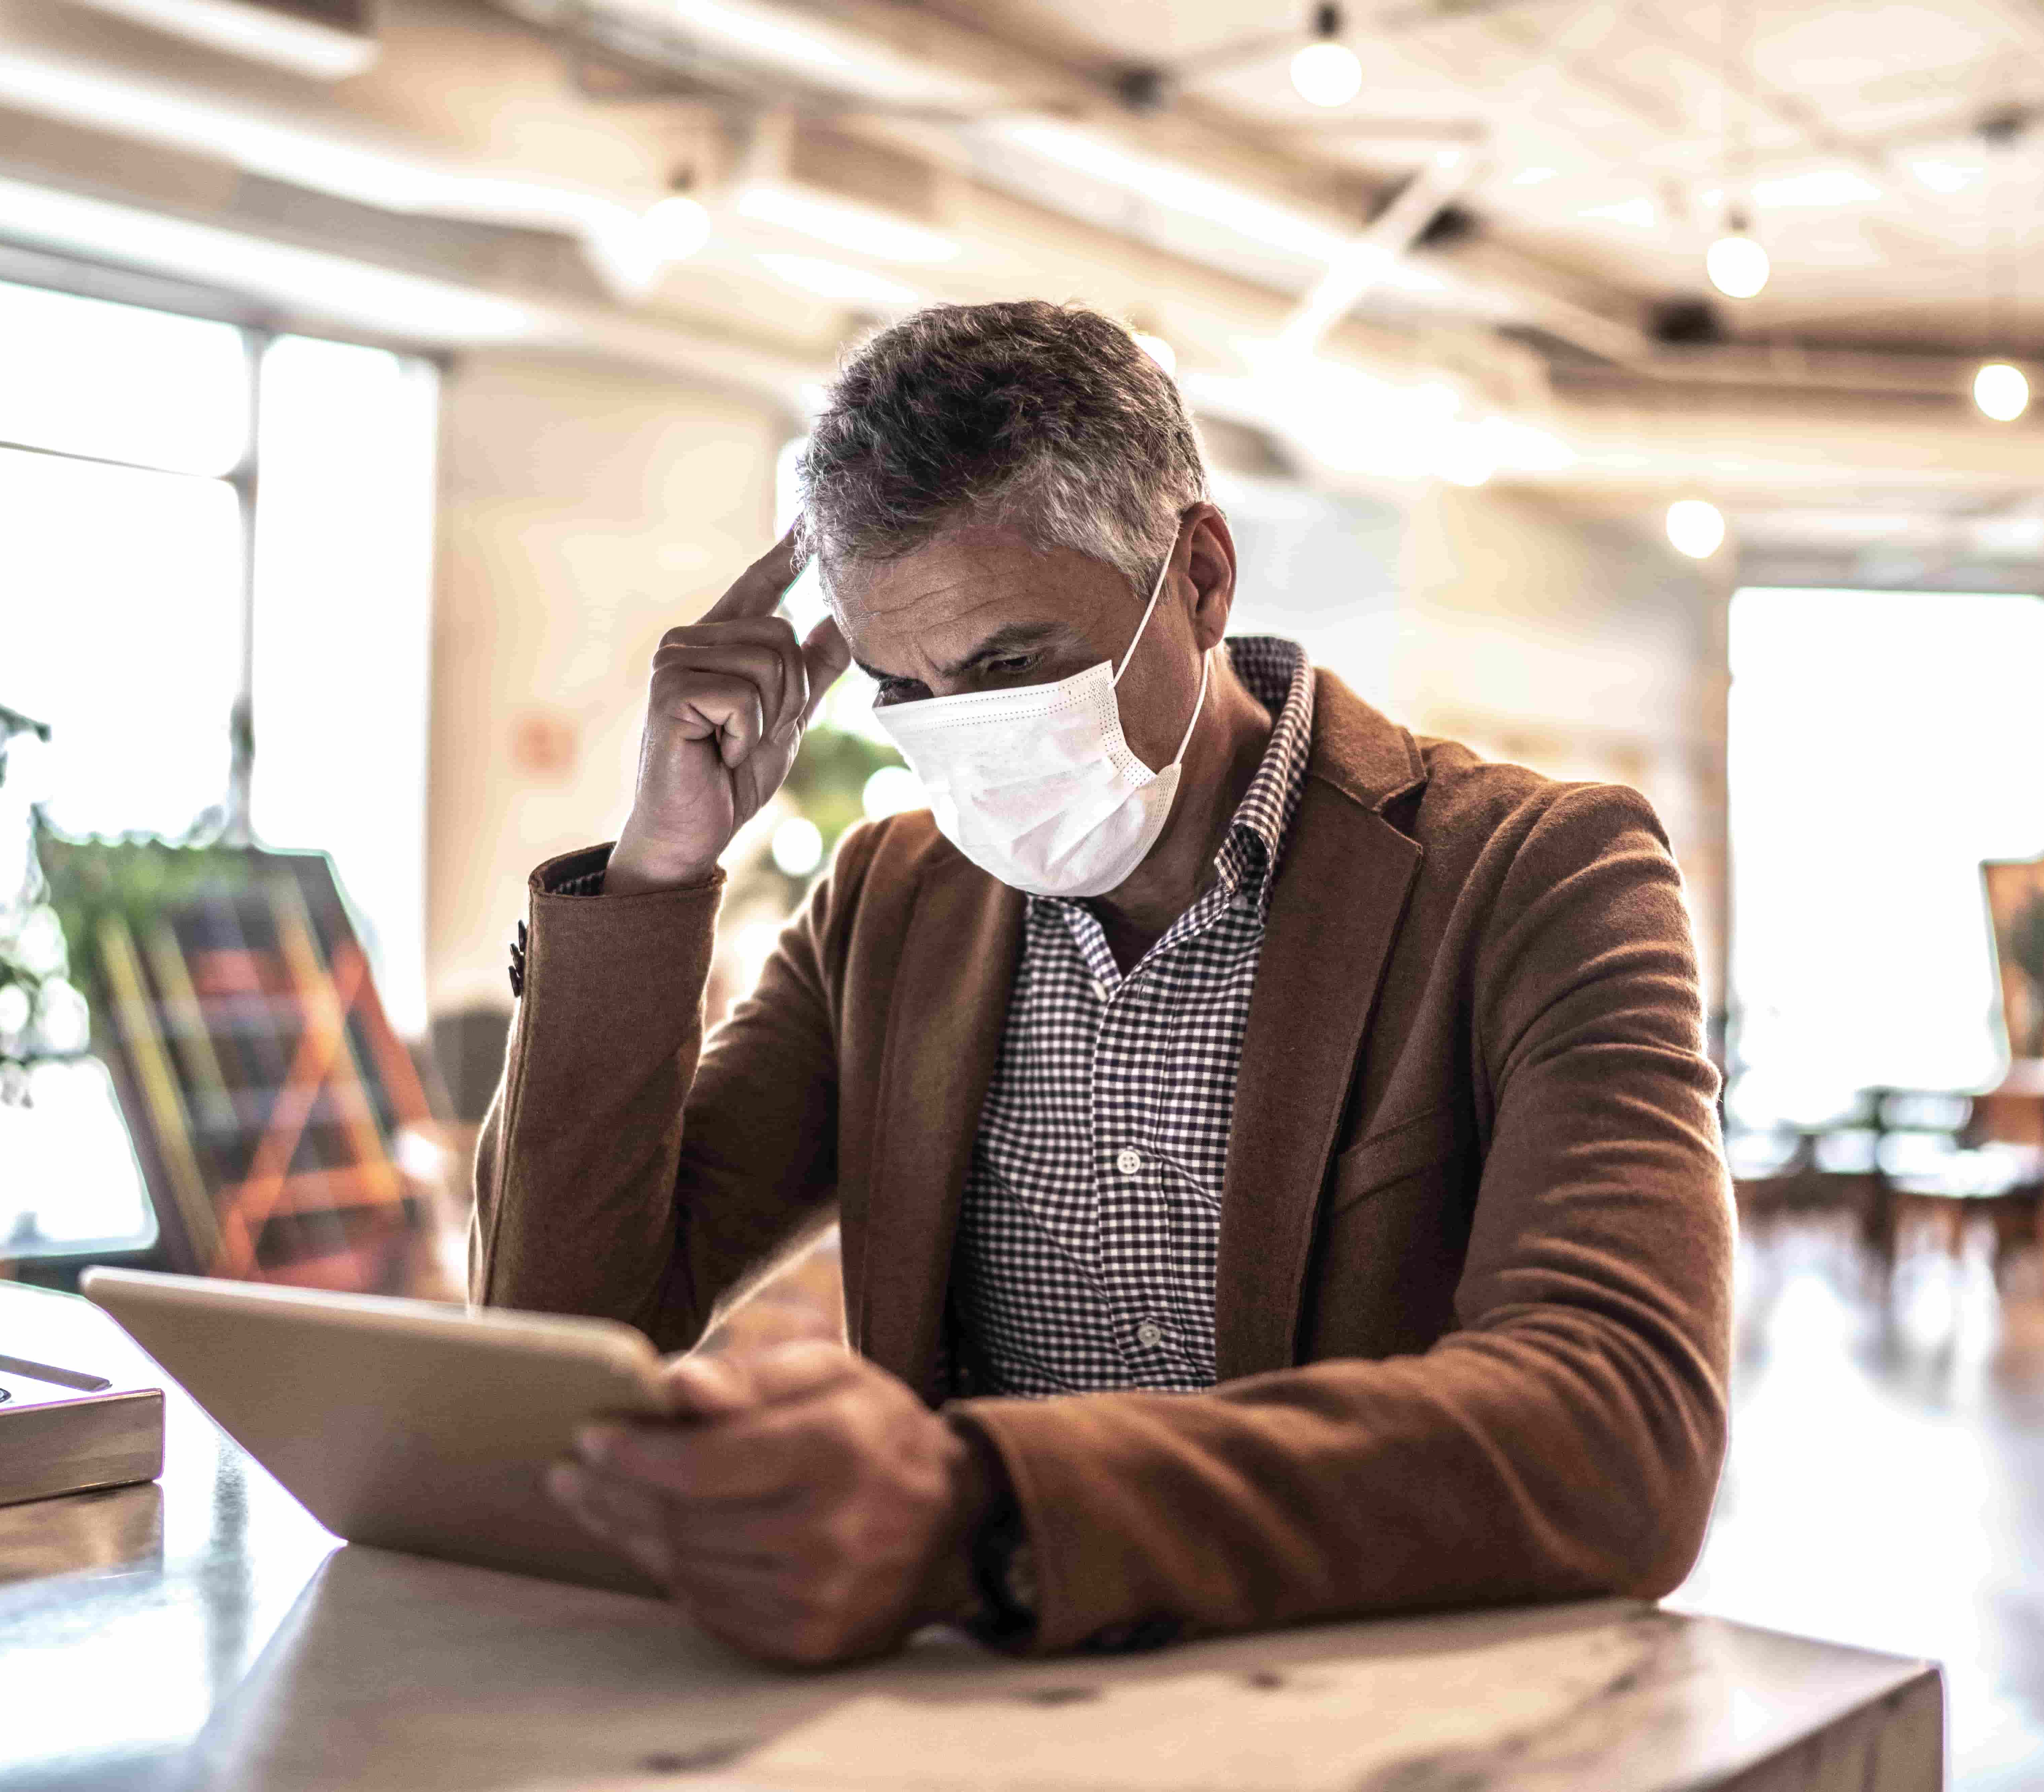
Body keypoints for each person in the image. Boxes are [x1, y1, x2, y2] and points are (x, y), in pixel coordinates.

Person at [474, 301, 1730, 1666]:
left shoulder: (1534, 877)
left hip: (1363, 1715)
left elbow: (1620, 1429)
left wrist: (992, 1510)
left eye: (1013, 661)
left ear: (1196, 576)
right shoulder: (887, 906)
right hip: (978, 1727)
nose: (968, 733)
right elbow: (566, 1343)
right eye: (905, 689)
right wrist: (658, 876)